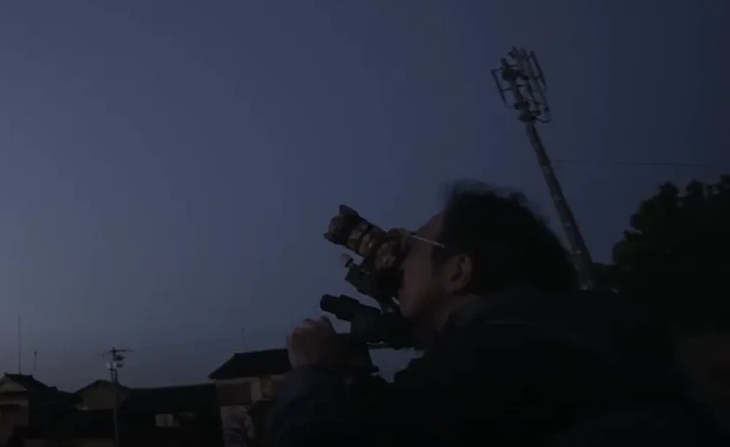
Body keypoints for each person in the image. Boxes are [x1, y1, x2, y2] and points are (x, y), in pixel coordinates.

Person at [268, 182, 718, 447]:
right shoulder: (572, 338)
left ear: (459, 270)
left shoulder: (500, 357)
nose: (397, 261)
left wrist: (313, 376)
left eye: (413, 247)